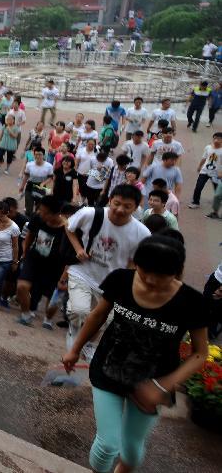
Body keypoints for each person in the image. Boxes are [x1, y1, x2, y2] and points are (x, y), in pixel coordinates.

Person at [62, 236, 209, 473]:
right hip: (108, 370)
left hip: (152, 383)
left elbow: (201, 354)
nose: (151, 281)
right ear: (136, 264)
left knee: (131, 451)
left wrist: (162, 386)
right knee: (107, 445)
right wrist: (74, 350)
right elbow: (97, 315)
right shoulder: (120, 279)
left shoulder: (192, 302)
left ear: (177, 271)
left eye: (161, 276)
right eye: (144, 272)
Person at [63, 184, 151, 361]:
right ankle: (75, 333)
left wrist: (128, 284)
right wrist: (78, 248)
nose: (120, 209)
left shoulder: (142, 233)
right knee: (79, 311)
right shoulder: (90, 213)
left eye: (127, 206)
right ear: (110, 200)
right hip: (83, 272)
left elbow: (135, 262)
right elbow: (69, 227)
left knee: (105, 320)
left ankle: (86, 344)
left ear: (136, 208)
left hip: (111, 284)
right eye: (116, 203)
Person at [16, 195, 67, 328]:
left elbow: (70, 255)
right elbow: (30, 235)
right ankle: (26, 315)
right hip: (35, 257)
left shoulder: (68, 228)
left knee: (52, 302)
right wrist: (25, 252)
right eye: (40, 210)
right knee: (21, 286)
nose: (40, 213)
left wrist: (65, 275)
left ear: (55, 214)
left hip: (56, 266)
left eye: (44, 212)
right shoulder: (37, 217)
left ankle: (48, 319)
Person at [188, 131, 222, 209]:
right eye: (215, 138)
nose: (216, 140)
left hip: (216, 173)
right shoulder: (208, 147)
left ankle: (219, 199)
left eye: (219, 139)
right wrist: (199, 166)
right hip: (205, 171)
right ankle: (196, 202)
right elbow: (204, 157)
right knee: (198, 187)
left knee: (217, 188)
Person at [20, 146, 54, 215]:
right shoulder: (29, 165)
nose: (38, 156)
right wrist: (22, 186)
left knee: (39, 207)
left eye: (40, 154)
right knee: (28, 207)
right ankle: (28, 221)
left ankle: (36, 221)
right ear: (34, 155)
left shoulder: (49, 166)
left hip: (40, 187)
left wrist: (44, 183)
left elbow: (50, 178)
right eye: (36, 154)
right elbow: (26, 176)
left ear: (43, 155)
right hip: (30, 186)